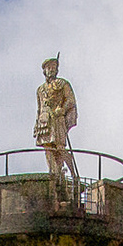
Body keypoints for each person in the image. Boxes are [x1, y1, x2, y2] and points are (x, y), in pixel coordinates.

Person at [34, 57, 79, 203]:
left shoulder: (63, 84)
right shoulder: (40, 90)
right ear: (44, 70)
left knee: (60, 147)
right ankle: (54, 173)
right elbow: (39, 107)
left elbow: (71, 100)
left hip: (57, 119)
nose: (52, 69)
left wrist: (63, 109)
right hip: (44, 120)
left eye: (54, 66)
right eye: (49, 67)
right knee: (48, 149)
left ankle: (73, 174)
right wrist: (37, 122)